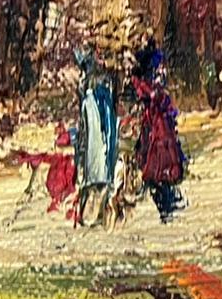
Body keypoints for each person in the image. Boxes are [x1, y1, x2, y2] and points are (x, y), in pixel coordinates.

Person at [131, 41, 186, 221]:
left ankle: (167, 200)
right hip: (155, 124)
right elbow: (150, 96)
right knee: (157, 161)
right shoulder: (145, 85)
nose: (160, 70)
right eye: (157, 67)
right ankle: (164, 204)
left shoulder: (152, 83)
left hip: (161, 123)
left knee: (165, 160)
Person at [73, 46, 119, 225]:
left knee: (95, 130)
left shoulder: (85, 181)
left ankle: (90, 68)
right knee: (98, 130)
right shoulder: (108, 185)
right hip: (100, 144)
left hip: (96, 144)